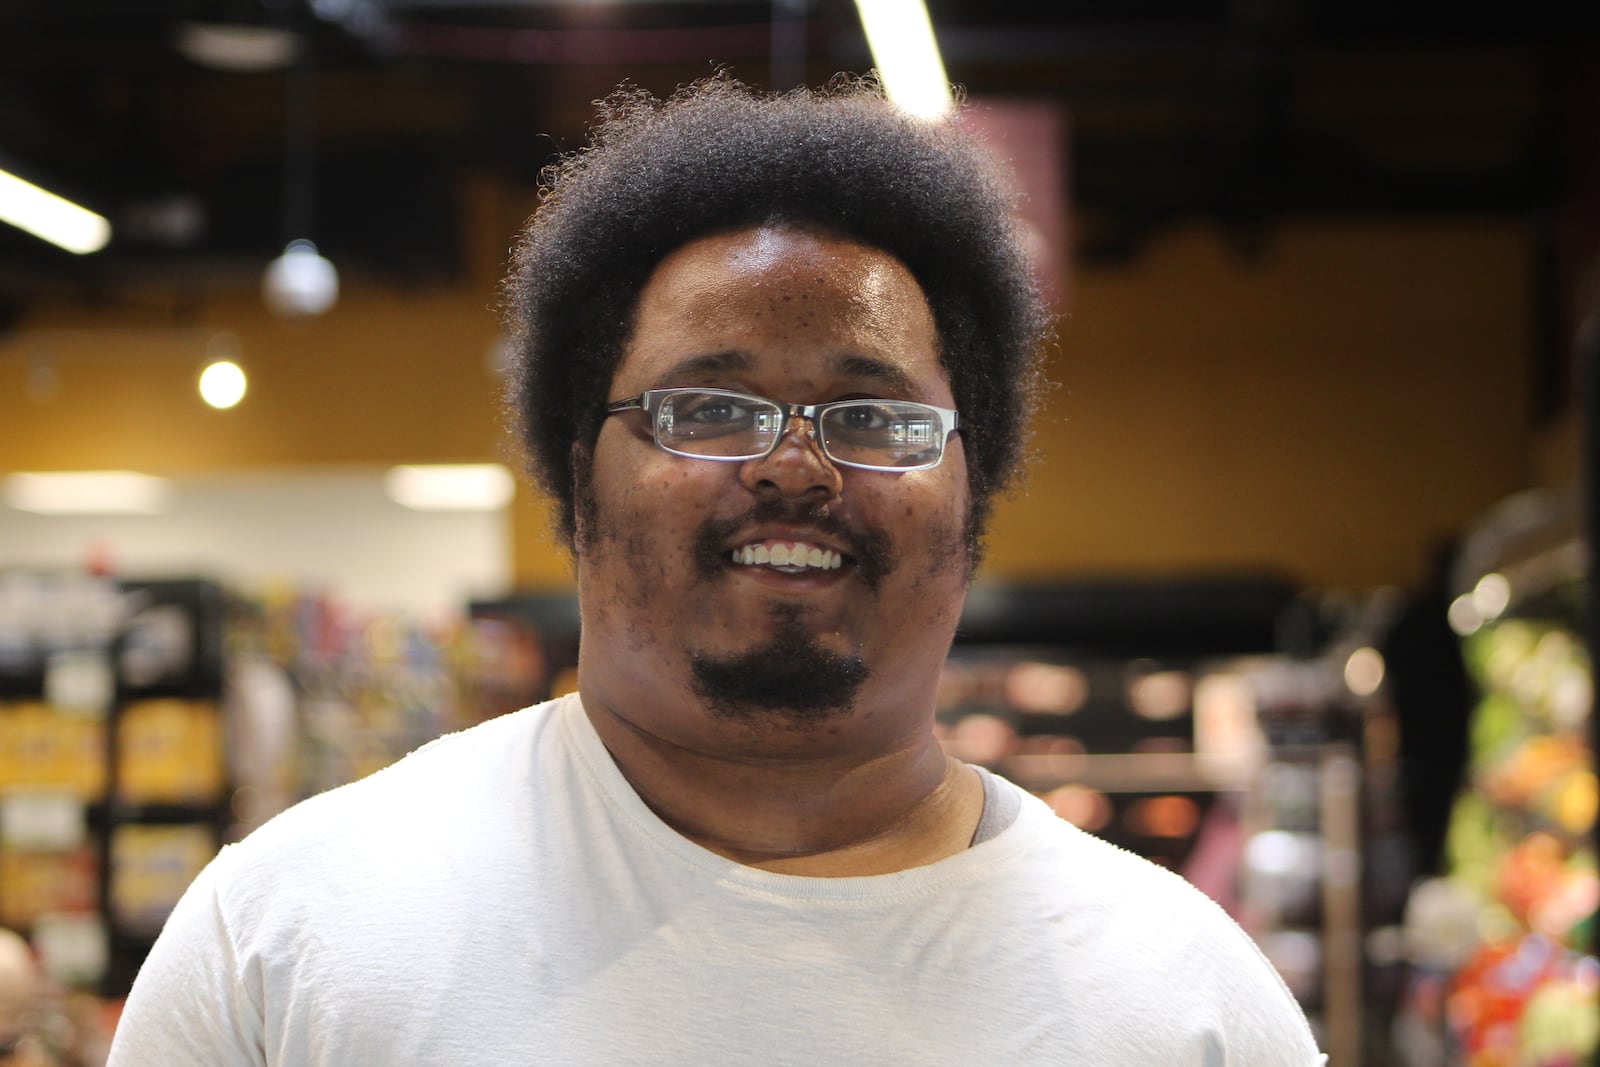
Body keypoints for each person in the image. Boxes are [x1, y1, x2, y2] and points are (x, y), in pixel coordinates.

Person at [108, 76, 1326, 1065]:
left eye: (873, 416)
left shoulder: (1185, 1001)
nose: (796, 468)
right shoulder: (288, 936)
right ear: (577, 479)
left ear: (973, 496)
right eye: (710, 406)